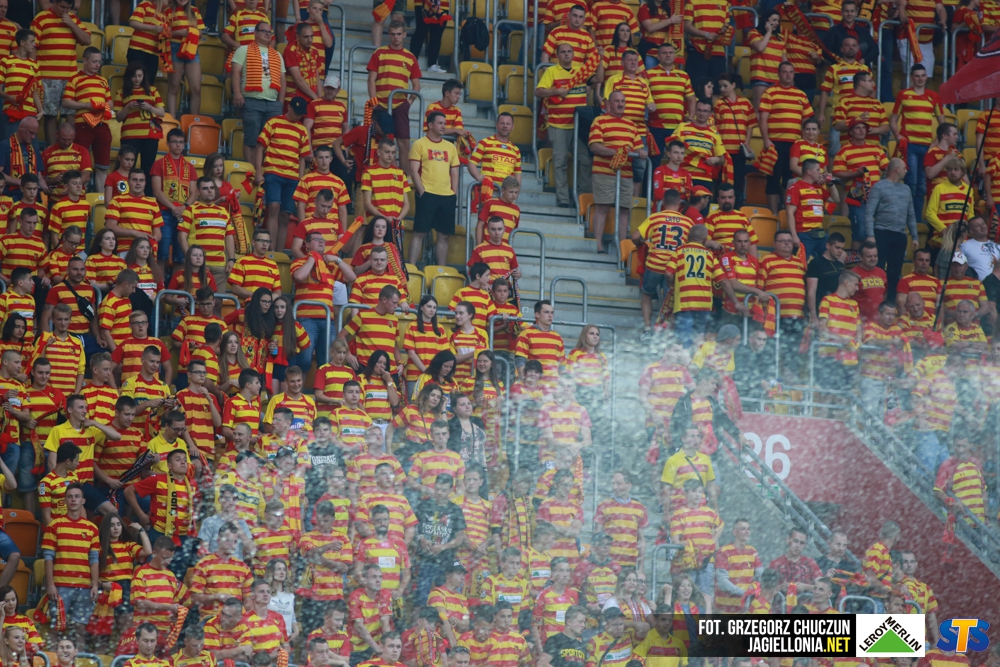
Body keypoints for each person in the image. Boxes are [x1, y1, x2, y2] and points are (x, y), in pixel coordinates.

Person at [665, 224, 743, 348]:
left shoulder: (679, 251)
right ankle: (696, 358)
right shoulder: (710, 255)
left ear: (688, 237)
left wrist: (673, 282)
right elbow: (723, 281)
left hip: (684, 302)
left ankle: (685, 358)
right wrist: (736, 302)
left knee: (683, 341)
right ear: (705, 239)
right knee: (698, 339)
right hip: (704, 304)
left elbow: (668, 273)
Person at [534, 43, 592, 209]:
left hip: (580, 125)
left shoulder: (581, 71)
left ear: (573, 54)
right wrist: (556, 91)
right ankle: (563, 199)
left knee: (585, 161)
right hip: (558, 124)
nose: (566, 54)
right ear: (557, 56)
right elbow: (538, 92)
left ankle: (581, 199)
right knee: (560, 163)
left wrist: (600, 59)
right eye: (563, 52)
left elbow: (598, 79)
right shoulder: (552, 71)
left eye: (569, 51)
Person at [41, 484, 100, 645]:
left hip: (84, 586)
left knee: (80, 628)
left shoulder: (92, 528)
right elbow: (48, 557)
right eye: (70, 496)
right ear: (65, 501)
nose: (73, 499)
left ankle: (78, 657)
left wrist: (95, 585)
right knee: (56, 628)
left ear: (83, 501)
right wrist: (50, 584)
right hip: (60, 586)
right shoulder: (54, 525)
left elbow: (94, 559)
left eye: (77, 496)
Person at [589, 91, 647, 251]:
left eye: (623, 101)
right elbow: (594, 146)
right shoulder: (599, 121)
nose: (620, 104)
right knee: (602, 208)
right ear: (609, 103)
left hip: (626, 175)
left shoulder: (631, 125)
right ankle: (598, 245)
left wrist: (641, 152)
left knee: (624, 210)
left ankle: (622, 247)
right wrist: (617, 153)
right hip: (603, 172)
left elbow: (638, 147)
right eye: (617, 101)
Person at [367, 21, 421, 177]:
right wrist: (374, 103)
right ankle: (378, 175)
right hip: (380, 104)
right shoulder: (379, 53)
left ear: (404, 34)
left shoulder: (410, 57)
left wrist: (408, 103)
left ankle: (405, 178)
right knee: (378, 141)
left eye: (398, 34)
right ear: (388, 35)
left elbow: (416, 84)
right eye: (392, 34)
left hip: (400, 105)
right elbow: (371, 80)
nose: (395, 37)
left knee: (403, 142)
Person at [760, 63, 815, 213]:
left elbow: (806, 121)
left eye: (791, 72)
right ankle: (774, 215)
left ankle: (787, 213)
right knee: (773, 179)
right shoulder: (770, 92)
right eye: (785, 72)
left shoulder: (801, 95)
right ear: (778, 74)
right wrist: (766, 140)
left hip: (794, 145)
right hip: (775, 143)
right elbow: (763, 118)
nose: (788, 75)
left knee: (790, 180)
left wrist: (803, 142)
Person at [232, 22, 285, 174]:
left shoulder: (277, 55)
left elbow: (282, 80)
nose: (268, 34)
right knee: (252, 137)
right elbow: (235, 72)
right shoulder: (243, 50)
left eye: (270, 32)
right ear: (255, 33)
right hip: (252, 100)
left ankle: (264, 172)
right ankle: (252, 172)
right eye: (264, 31)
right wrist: (237, 93)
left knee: (270, 140)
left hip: (273, 104)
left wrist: (280, 103)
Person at [407, 111, 459, 265]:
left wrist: (453, 194)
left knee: (444, 236)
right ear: (430, 125)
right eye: (440, 123)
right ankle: (411, 268)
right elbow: (413, 170)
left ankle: (440, 271)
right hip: (427, 194)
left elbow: (455, 172)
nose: (444, 126)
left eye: (444, 123)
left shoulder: (450, 147)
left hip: (447, 196)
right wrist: (423, 192)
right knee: (419, 233)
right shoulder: (419, 144)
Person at [866, 158, 917, 295]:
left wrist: (915, 236)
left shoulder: (906, 189)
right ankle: (876, 298)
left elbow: (911, 214)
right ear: (897, 169)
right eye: (904, 168)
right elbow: (869, 212)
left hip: (900, 235)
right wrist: (870, 235)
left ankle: (891, 300)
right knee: (878, 268)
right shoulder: (879, 187)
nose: (906, 171)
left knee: (895, 271)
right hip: (881, 233)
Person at [179, 177, 236, 290]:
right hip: (198, 265)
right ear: (198, 192)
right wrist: (190, 258)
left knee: (218, 299)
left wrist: (231, 259)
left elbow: (229, 237)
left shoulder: (224, 212)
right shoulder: (190, 210)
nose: (210, 190)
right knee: (197, 297)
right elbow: (181, 236)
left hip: (220, 266)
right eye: (205, 188)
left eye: (212, 188)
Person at [785, 159, 838, 260]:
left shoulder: (818, 187)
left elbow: (835, 199)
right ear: (809, 171)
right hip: (804, 233)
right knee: (801, 263)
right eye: (818, 170)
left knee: (831, 258)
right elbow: (789, 212)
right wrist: (794, 236)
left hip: (820, 233)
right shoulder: (795, 187)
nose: (821, 172)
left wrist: (831, 183)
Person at [925, 158, 973, 254]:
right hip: (942, 239)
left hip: (962, 241)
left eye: (956, 169)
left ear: (963, 172)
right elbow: (930, 213)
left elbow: (970, 214)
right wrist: (944, 230)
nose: (952, 172)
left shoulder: (969, 190)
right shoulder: (939, 188)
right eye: (950, 169)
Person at [806, 232, 848, 323]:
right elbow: (811, 291)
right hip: (821, 312)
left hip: (838, 312)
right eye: (837, 248)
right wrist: (813, 316)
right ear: (828, 245)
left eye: (842, 248)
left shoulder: (841, 266)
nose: (840, 251)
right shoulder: (816, 263)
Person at [767, 527, 822, 594]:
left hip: (805, 600)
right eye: (795, 541)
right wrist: (780, 588)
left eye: (802, 543)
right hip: (782, 600)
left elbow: (822, 587)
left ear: (805, 545)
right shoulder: (775, 564)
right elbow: (765, 589)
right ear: (788, 540)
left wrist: (806, 587)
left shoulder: (810, 563)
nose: (798, 546)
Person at [960, 216, 1000, 281]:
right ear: (971, 231)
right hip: (978, 285)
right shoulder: (964, 246)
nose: (983, 227)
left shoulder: (997, 247)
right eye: (978, 226)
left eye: (983, 224)